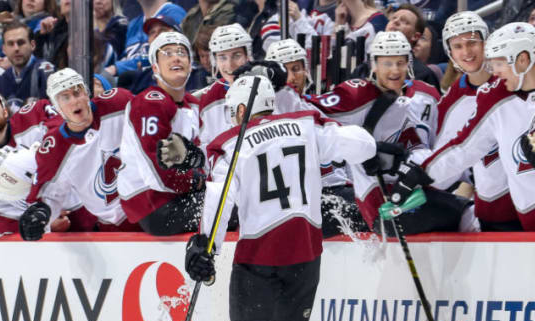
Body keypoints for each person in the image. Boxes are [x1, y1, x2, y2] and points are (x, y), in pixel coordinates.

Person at [182, 74, 376, 321]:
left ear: (242, 110)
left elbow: (219, 196)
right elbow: (364, 146)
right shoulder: (305, 125)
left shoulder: (232, 143)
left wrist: (205, 246)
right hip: (306, 253)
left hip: (260, 250)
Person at [400, 22, 535, 231]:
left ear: (523, 59)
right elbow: (464, 148)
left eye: (500, 63)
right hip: (531, 226)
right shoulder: (494, 97)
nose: (494, 71)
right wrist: (420, 175)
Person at [306, 31, 472, 234]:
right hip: (379, 200)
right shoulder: (356, 94)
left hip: (421, 194)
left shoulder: (426, 94)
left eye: (400, 63)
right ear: (374, 64)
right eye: (387, 63)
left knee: (469, 213)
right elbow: (307, 112)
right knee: (466, 212)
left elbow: (438, 147)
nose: (395, 70)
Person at [19, 68, 140, 241]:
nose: (74, 101)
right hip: (112, 227)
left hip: (148, 206)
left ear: (87, 92)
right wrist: (40, 216)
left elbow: (150, 120)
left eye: (77, 92)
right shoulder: (54, 148)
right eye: (65, 97)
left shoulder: (118, 103)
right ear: (56, 106)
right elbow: (49, 195)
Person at [265, 39, 366, 236]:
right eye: (284, 71)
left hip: (337, 194)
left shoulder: (316, 110)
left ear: (306, 71)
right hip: (298, 205)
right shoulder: (265, 118)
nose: (292, 77)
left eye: (296, 69)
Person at [113, 32, 205, 236]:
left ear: (190, 64)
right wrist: (196, 180)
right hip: (155, 207)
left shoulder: (193, 105)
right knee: (235, 206)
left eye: (182, 53)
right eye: (167, 54)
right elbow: (157, 174)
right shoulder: (150, 102)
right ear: (155, 67)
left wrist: (199, 173)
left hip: (174, 199)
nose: (176, 57)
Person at [436, 11, 520, 231]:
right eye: (458, 46)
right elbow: (450, 159)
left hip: (533, 205)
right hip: (491, 212)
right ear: (450, 52)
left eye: (472, 42)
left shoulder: (514, 83)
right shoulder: (452, 101)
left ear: (486, 42)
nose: (466, 52)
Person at [0, 88, 77, 236]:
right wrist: (37, 224)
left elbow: (68, 131)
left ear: (5, 112)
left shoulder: (35, 114)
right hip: (35, 235)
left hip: (80, 202)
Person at [196, 24, 252, 149]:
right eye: (222, 57)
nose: (230, 65)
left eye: (236, 55)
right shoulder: (209, 99)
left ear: (247, 55)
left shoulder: (267, 88)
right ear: (214, 60)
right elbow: (206, 147)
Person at [0, 21, 55, 111]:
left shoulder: (44, 70)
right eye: (11, 44)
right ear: (4, 50)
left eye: (21, 43)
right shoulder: (5, 77)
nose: (16, 48)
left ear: (32, 45)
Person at [111, 0, 186, 77]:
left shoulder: (174, 13)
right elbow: (126, 57)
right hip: (135, 83)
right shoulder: (133, 24)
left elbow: (170, 54)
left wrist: (117, 68)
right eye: (152, 32)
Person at [385, 3, 441, 91]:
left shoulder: (424, 75)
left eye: (405, 21)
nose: (396, 21)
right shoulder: (365, 68)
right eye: (393, 18)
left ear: (415, 36)